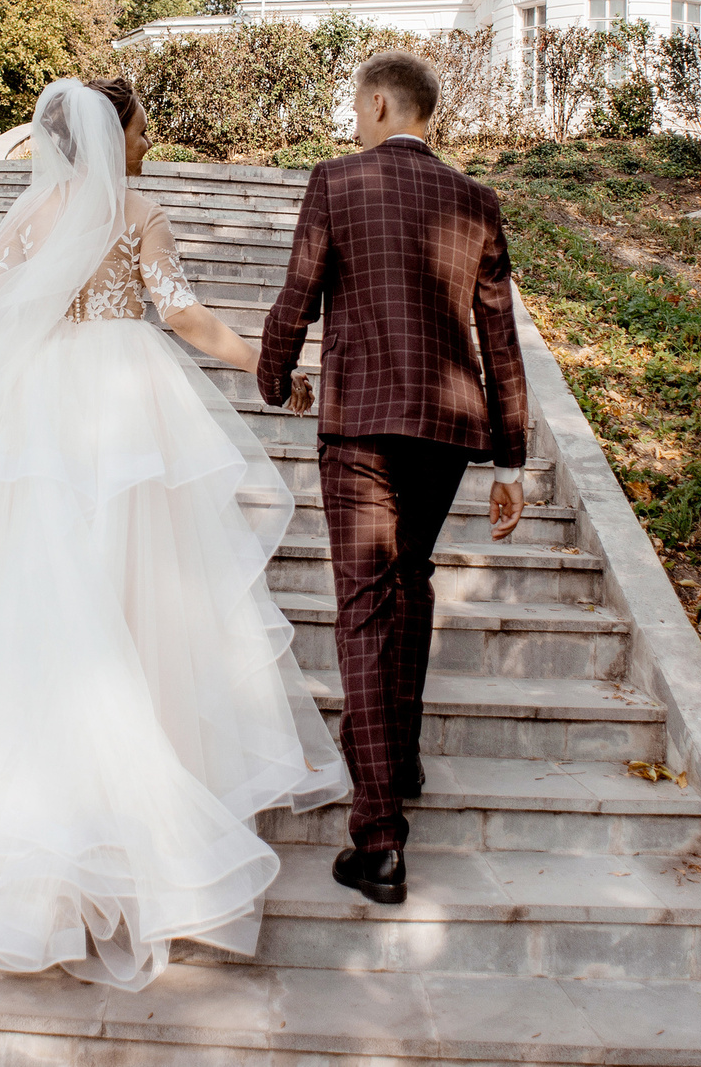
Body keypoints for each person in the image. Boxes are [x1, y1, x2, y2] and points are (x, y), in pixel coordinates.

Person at [0, 77, 347, 991]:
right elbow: (182, 314)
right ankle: (142, 779)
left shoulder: (29, 217)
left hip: (45, 411)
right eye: (140, 127)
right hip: (126, 404)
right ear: (109, 135)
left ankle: (36, 794)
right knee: (139, 583)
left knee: (45, 587)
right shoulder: (137, 211)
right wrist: (271, 368)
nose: (148, 141)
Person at [255, 50, 530, 908]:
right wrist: (512, 457)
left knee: (366, 605)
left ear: (378, 103)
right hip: (448, 428)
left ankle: (378, 838)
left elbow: (298, 292)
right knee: (409, 579)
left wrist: (273, 374)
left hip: (363, 425)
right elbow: (500, 334)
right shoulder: (476, 199)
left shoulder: (336, 181)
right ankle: (398, 757)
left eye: (356, 103)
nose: (354, 117)